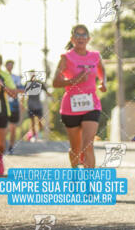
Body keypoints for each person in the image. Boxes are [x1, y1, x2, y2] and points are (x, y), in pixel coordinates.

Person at [52, 25, 106, 168]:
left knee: (88, 144)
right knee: (76, 149)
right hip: (71, 107)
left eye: (84, 35)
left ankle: (89, 185)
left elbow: (102, 70)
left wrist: (103, 82)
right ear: (72, 39)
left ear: (88, 38)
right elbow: (55, 82)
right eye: (77, 35)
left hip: (91, 105)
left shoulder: (95, 56)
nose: (81, 38)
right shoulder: (66, 58)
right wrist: (75, 80)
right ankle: (75, 176)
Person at [4, 60, 25, 154]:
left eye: (11, 65)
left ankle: (11, 146)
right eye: (8, 65)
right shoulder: (2, 77)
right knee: (3, 128)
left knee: (13, 128)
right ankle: (2, 146)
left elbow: (22, 90)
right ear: (5, 66)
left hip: (14, 105)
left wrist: (22, 103)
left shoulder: (16, 78)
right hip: (3, 105)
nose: (10, 67)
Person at [24, 71, 49, 141]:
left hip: (38, 104)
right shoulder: (27, 83)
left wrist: (50, 95)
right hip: (30, 104)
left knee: (40, 120)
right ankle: (34, 135)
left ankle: (40, 134)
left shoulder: (39, 83)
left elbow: (46, 90)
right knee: (32, 122)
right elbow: (22, 92)